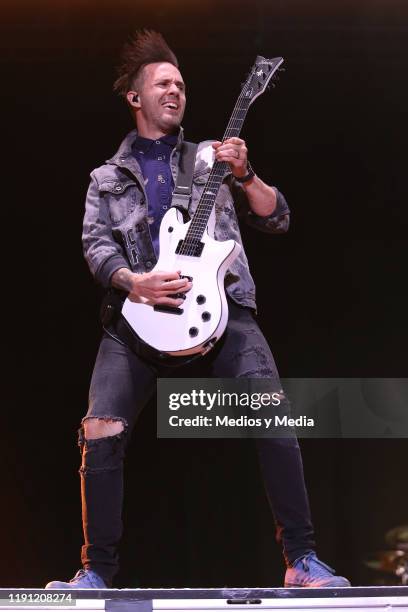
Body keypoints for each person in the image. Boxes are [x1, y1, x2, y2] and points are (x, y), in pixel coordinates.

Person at [46, 30, 350, 590]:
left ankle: (301, 561)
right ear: (135, 97)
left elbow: (277, 217)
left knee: (273, 413)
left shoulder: (210, 159)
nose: (175, 90)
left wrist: (246, 174)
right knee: (101, 427)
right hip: (137, 317)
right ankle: (95, 573)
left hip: (223, 308)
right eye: (162, 83)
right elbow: (97, 246)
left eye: (181, 84)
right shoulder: (106, 178)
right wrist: (132, 282)